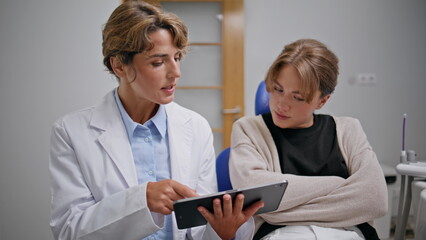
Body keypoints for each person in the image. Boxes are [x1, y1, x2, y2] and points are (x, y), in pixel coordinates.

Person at [49, 1, 263, 239]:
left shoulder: (196, 127)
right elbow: (68, 231)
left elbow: (200, 229)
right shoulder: (71, 132)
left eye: (177, 57)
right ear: (119, 65)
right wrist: (141, 201)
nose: (176, 73)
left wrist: (222, 230)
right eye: (158, 62)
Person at [229, 39, 388, 240]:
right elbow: (256, 196)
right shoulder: (248, 129)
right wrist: (340, 185)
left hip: (349, 234)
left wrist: (279, 210)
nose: (282, 105)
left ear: (322, 100)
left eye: (298, 97)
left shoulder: (348, 129)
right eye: (278, 89)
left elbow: (374, 199)